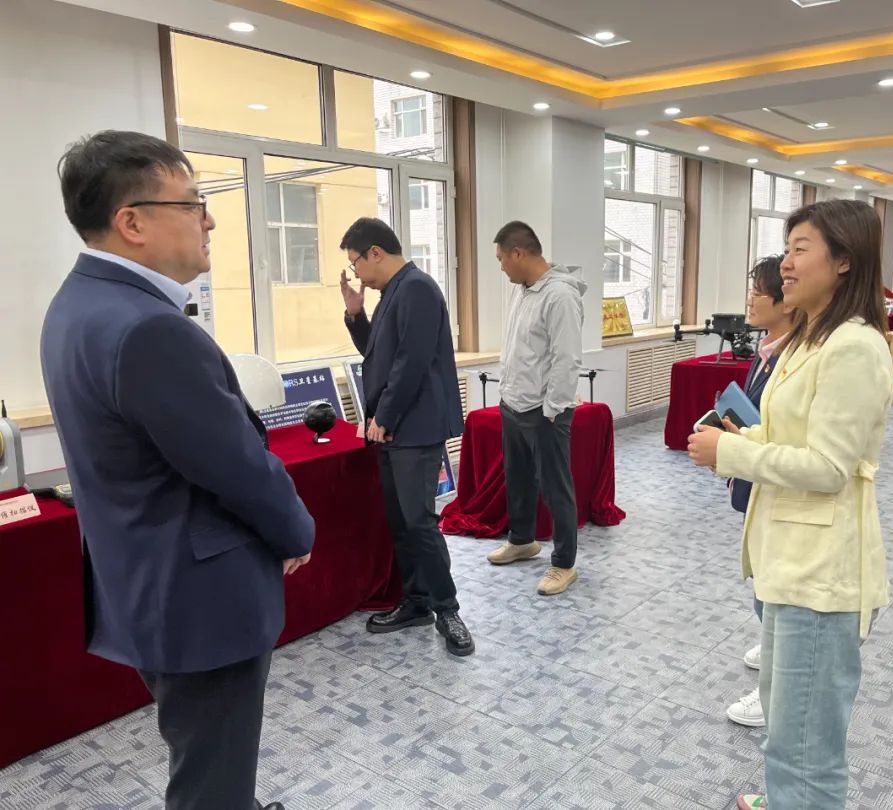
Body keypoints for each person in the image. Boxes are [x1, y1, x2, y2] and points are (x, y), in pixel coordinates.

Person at [41, 130, 315, 810]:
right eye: (193, 203)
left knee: (205, 755)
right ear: (131, 222)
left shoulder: (75, 305)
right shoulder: (149, 329)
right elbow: (236, 466)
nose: (209, 220)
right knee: (211, 782)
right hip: (199, 596)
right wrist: (296, 531)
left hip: (146, 582)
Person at [688, 200, 892, 810]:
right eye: (787, 249)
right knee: (786, 728)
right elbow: (790, 435)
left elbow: (829, 468)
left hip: (820, 576)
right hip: (788, 562)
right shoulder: (808, 338)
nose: (786, 265)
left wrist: (732, 453)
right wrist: (742, 438)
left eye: (801, 249)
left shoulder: (853, 346)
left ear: (845, 261)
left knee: (806, 746)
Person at [338, 217, 473, 656]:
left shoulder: (416, 288)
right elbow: (377, 355)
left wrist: (386, 416)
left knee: (419, 521)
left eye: (356, 262)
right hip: (392, 428)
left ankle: (447, 609)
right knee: (400, 521)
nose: (357, 273)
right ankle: (416, 601)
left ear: (375, 252)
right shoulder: (392, 292)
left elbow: (411, 362)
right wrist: (355, 315)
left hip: (414, 426)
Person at [484, 221, 586, 596]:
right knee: (519, 478)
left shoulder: (559, 295)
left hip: (544, 411)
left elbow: (566, 358)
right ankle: (522, 540)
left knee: (555, 487)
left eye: (501, 258)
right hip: (513, 402)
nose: (500, 267)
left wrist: (553, 407)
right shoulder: (523, 290)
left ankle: (564, 564)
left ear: (519, 253)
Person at [725, 255, 796, 730]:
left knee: (774, 578)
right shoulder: (766, 348)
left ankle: (772, 687)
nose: (749, 301)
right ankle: (769, 638)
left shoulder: (797, 358)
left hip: (777, 482)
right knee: (761, 571)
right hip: (756, 475)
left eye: (758, 293)